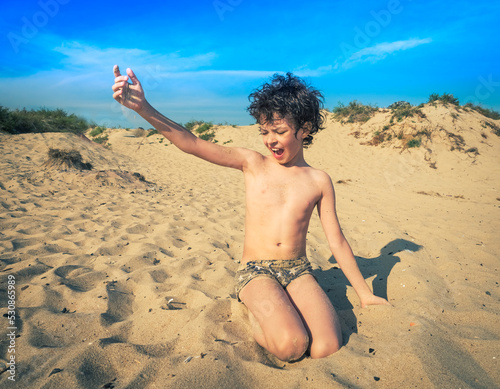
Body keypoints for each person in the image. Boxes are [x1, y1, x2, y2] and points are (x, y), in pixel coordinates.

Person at [112, 66, 390, 362]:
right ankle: (258, 313)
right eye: (264, 131)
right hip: (257, 271)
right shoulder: (252, 163)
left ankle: (284, 310)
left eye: (280, 131)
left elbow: (337, 242)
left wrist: (365, 294)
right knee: (292, 345)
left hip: (298, 270)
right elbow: (191, 143)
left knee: (326, 347)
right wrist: (144, 108)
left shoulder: (319, 180)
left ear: (305, 129)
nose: (270, 140)